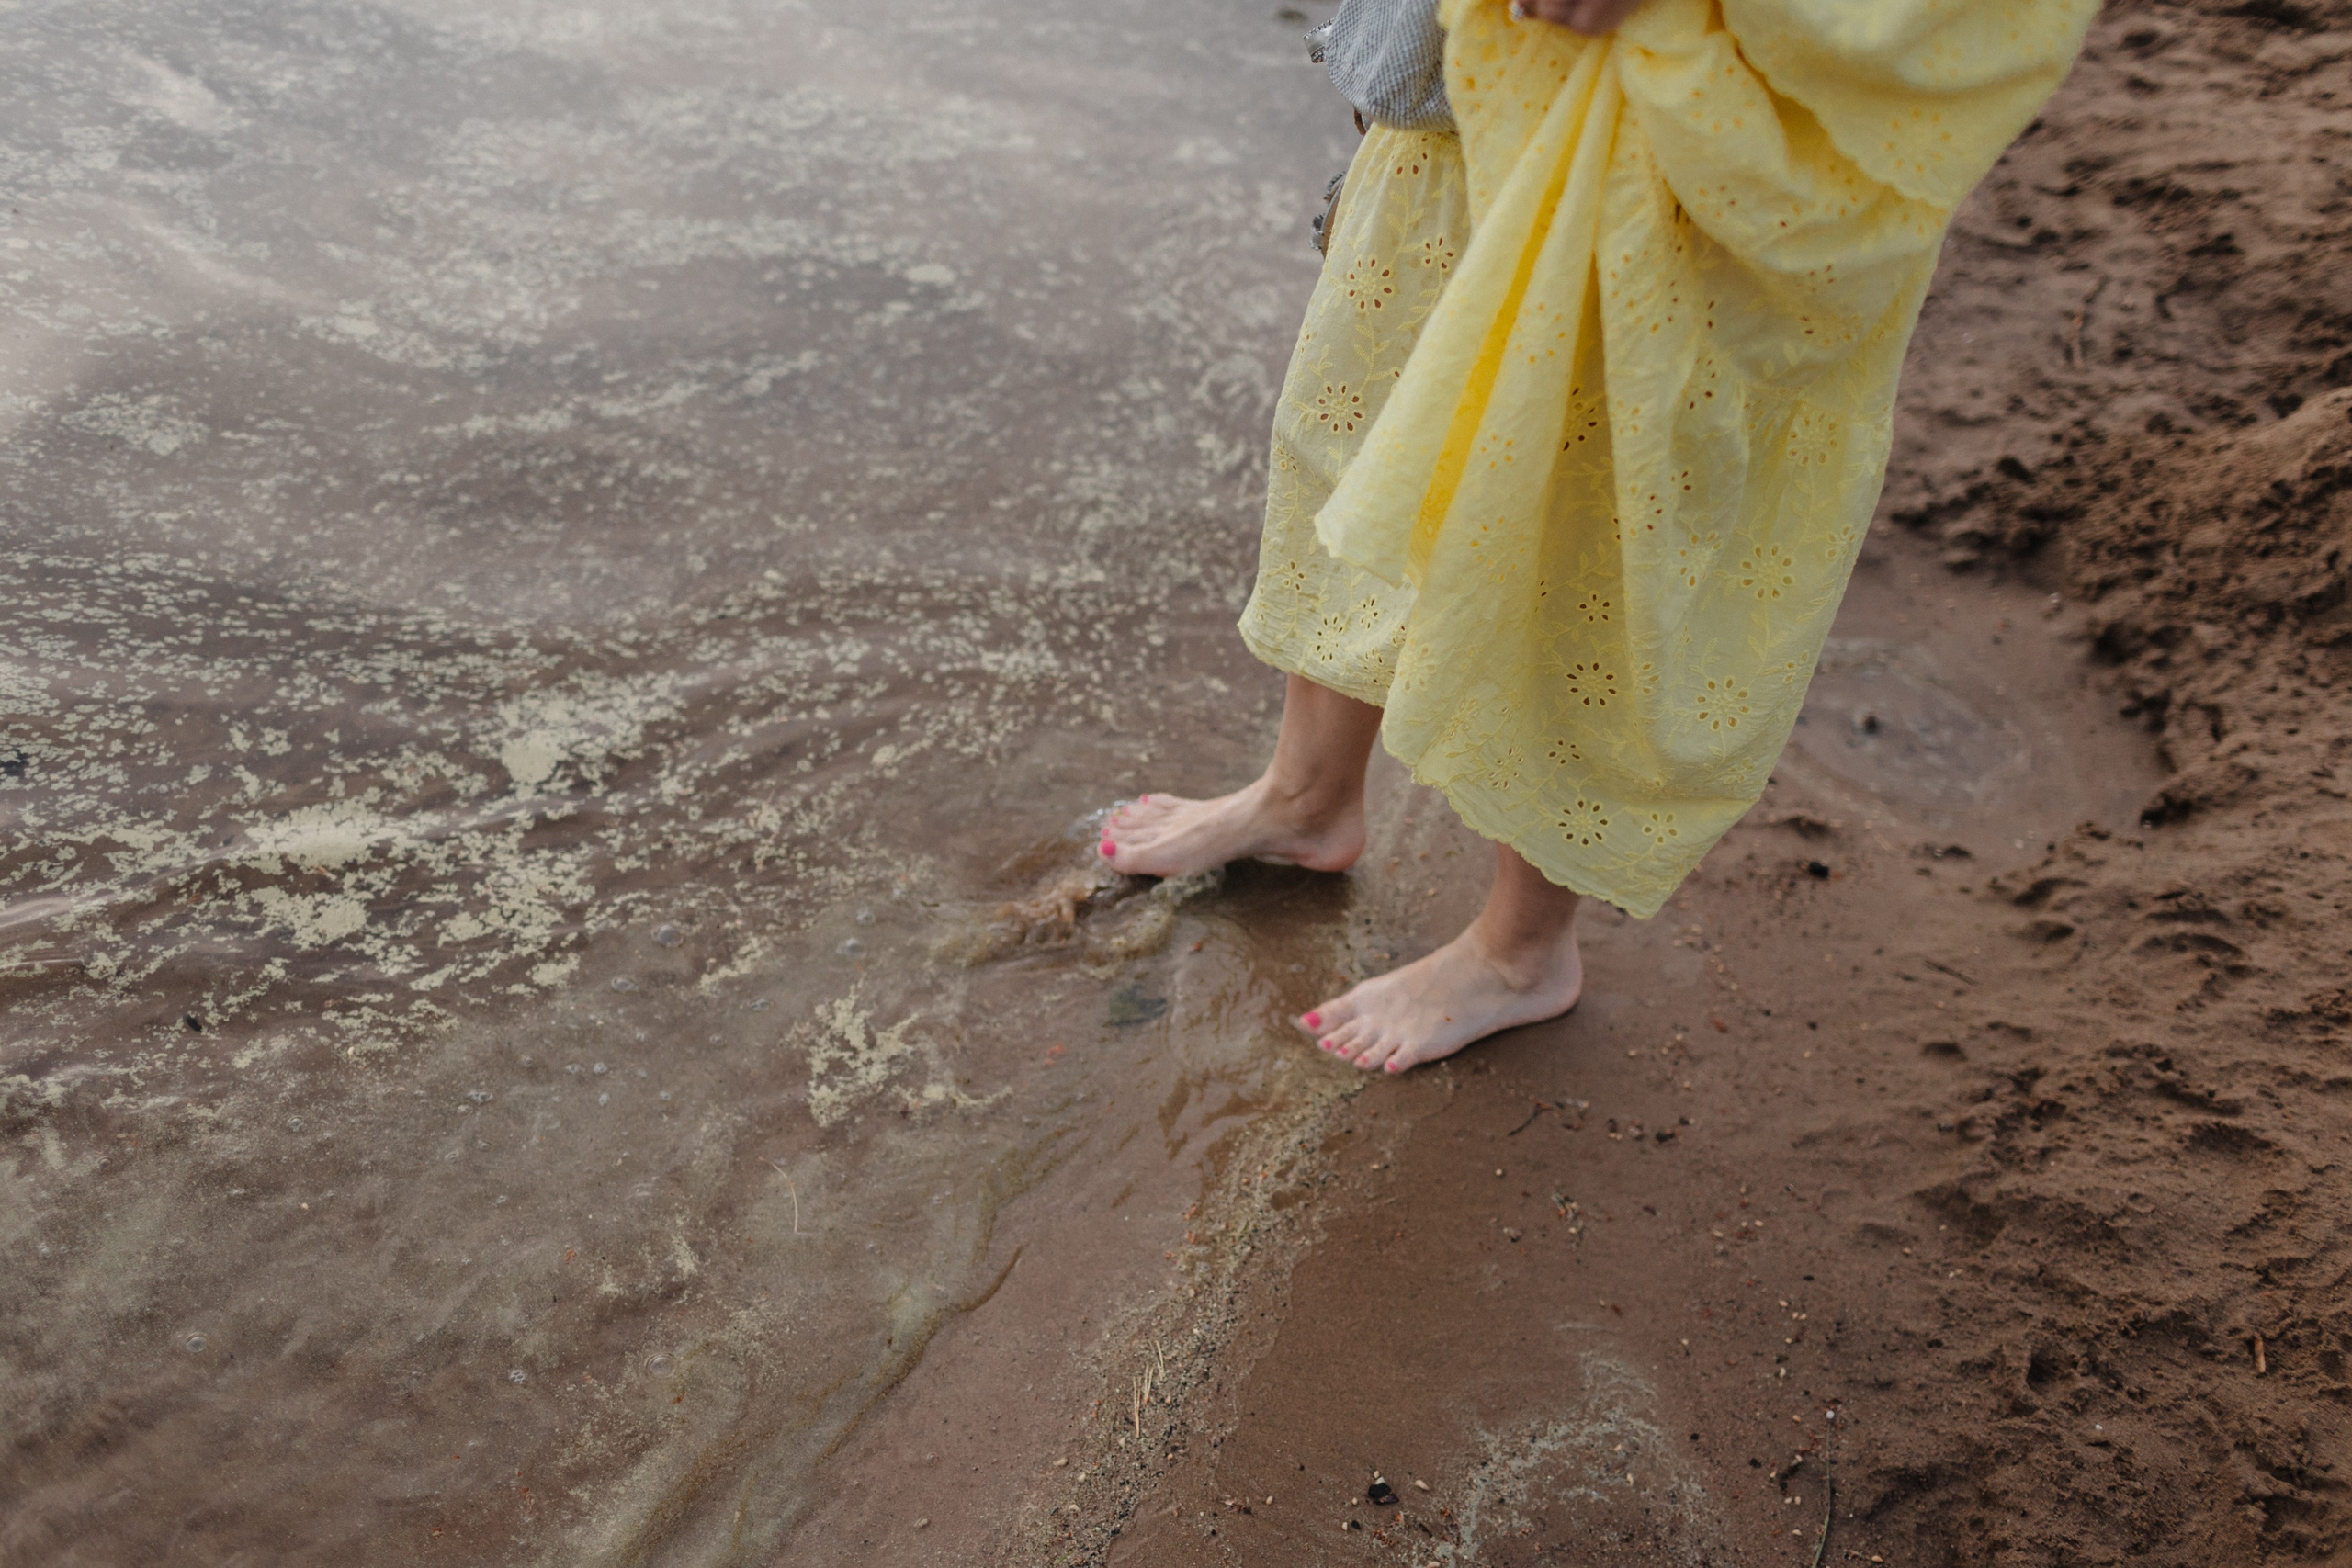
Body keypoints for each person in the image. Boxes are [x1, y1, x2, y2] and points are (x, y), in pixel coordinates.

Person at [1102, 0, 2096, 1074]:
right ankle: (1306, 797)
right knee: (1366, 420)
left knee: (1595, 536)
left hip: (1683, 136)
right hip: (1480, 71)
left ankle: (1522, 950)